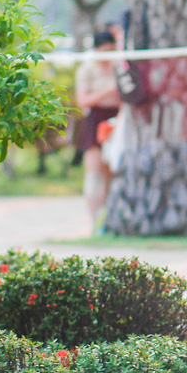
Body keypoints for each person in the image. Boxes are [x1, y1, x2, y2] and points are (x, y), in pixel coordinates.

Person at [75, 30, 121, 229]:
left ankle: (108, 219)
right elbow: (83, 101)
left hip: (116, 120)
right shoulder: (87, 70)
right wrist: (107, 91)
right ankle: (95, 219)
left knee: (111, 173)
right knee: (94, 172)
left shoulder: (119, 68)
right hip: (95, 121)